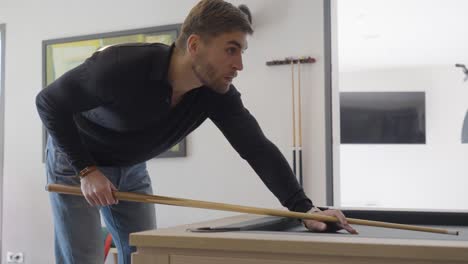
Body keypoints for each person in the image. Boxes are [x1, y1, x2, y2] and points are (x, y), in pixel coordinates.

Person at [36, 0, 357, 263]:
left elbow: (256, 147)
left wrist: (304, 209)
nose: (240, 65)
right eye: (232, 49)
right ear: (195, 45)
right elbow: (49, 102)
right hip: (75, 161)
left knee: (145, 254)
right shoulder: (120, 66)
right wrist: (87, 170)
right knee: (85, 257)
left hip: (131, 166)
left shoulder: (216, 95)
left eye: (241, 52)